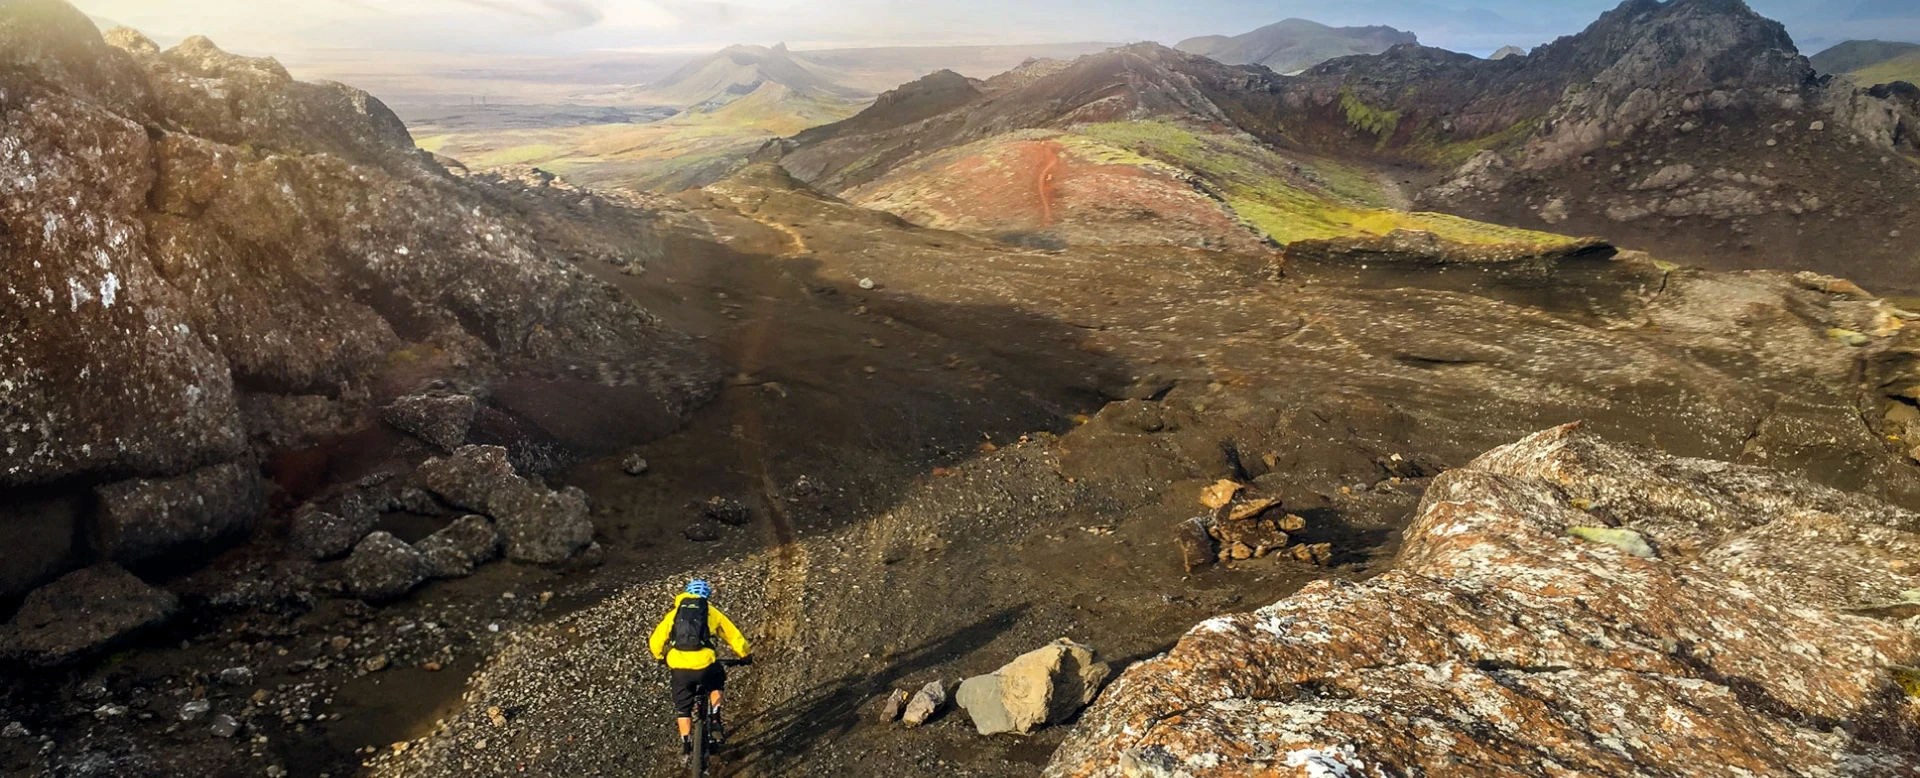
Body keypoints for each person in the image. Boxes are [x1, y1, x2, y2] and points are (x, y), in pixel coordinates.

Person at [649, 579, 752, 761]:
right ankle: (714, 718)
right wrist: (745, 655)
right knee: (716, 681)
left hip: (679, 668)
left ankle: (686, 748)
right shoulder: (711, 612)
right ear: (707, 597)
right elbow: (734, 636)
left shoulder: (675, 613)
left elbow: (655, 640)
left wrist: (660, 657)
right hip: (704, 666)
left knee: (683, 710)